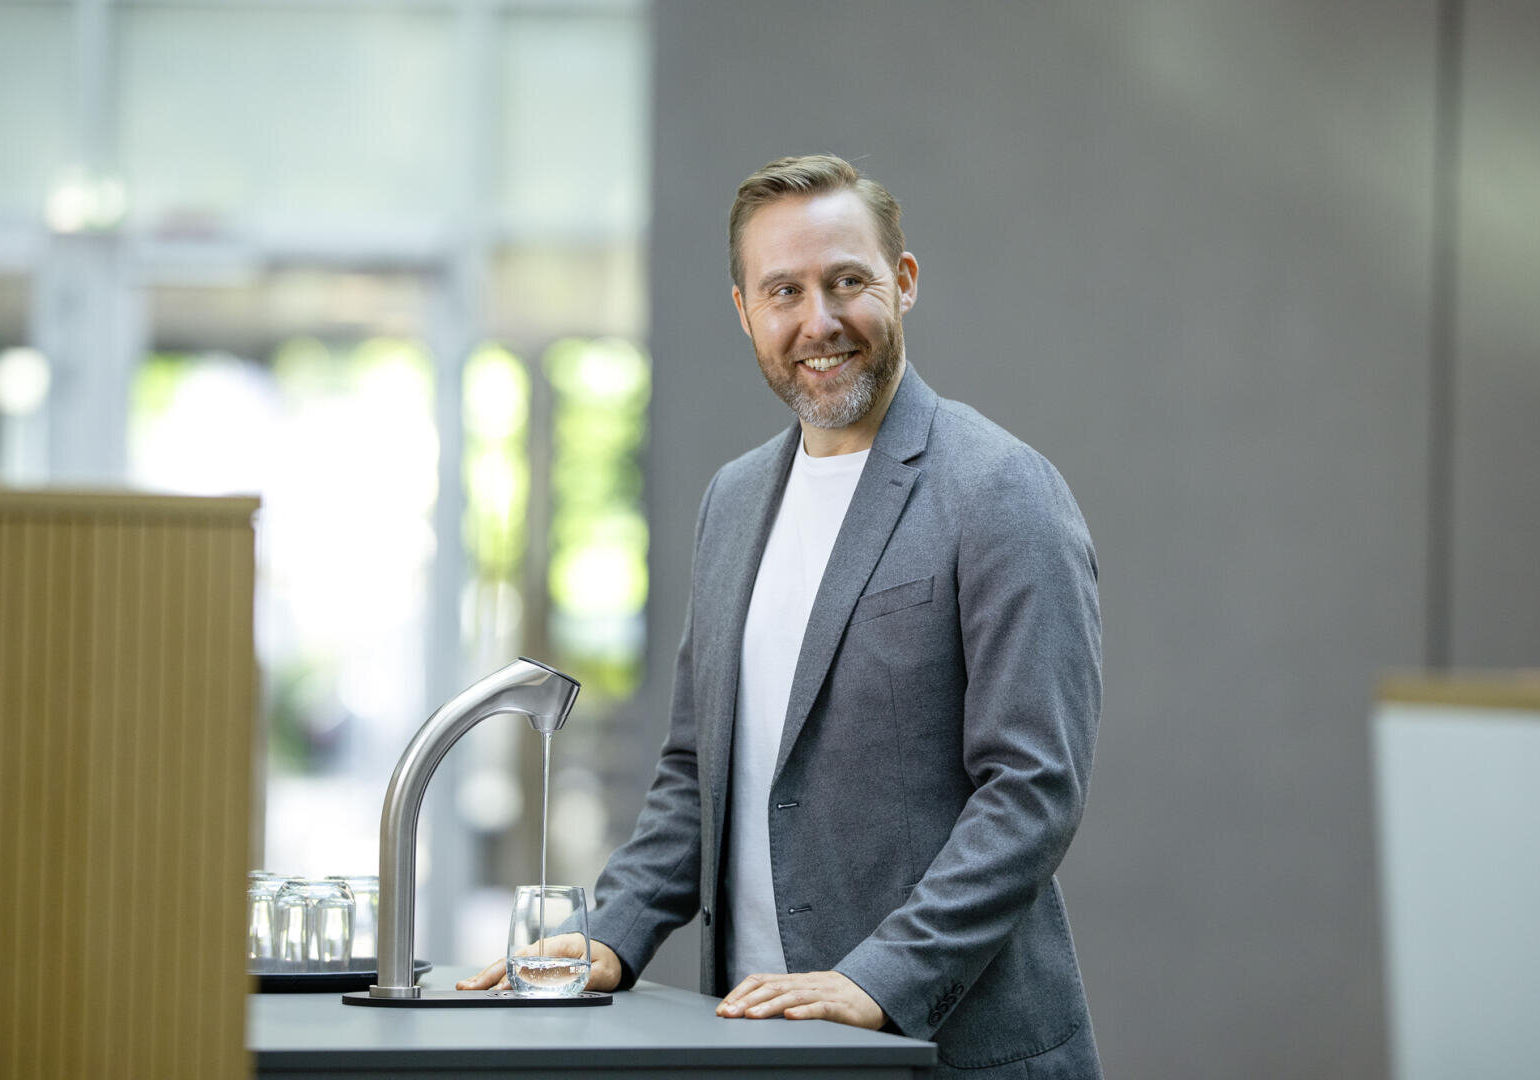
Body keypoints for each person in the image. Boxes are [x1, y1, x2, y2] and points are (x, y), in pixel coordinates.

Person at [462, 154, 1103, 1077]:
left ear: (904, 283)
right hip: (758, 1041)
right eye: (784, 291)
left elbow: (1033, 789)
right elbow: (695, 770)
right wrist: (613, 932)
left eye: (848, 282)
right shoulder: (733, 502)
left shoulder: (1003, 492)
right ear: (744, 312)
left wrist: (883, 976)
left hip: (948, 1052)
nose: (820, 321)